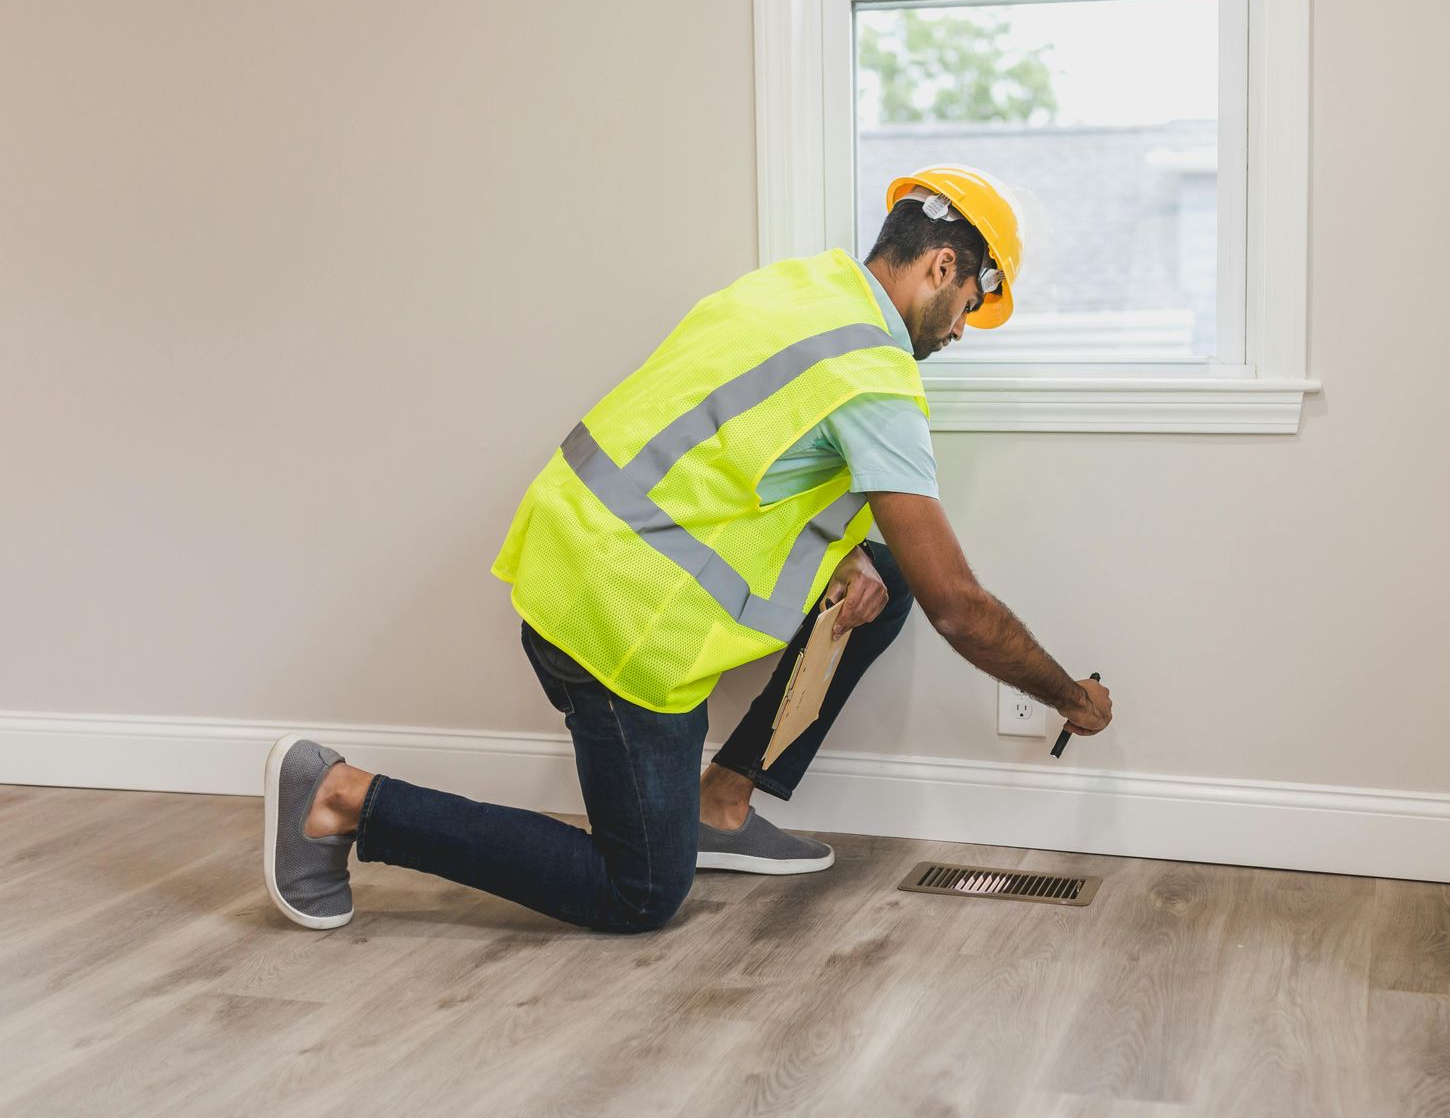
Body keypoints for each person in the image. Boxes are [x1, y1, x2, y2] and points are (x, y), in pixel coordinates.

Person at [262, 165, 1114, 933]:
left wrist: (851, 555)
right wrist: (1064, 693)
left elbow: (738, 451)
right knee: (637, 894)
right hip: (623, 627)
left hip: (565, 556)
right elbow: (958, 606)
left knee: (881, 572)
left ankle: (723, 803)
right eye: (972, 303)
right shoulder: (878, 379)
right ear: (943, 268)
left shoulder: (796, 288)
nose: (962, 330)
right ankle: (339, 800)